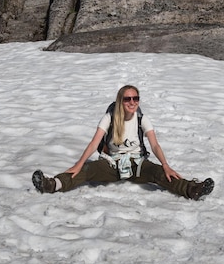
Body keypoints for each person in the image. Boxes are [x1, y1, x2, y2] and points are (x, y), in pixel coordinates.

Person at [32, 85, 214, 200]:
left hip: (137, 163)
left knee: (160, 173)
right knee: (86, 170)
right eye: (127, 99)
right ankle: (52, 184)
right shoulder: (109, 117)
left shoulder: (142, 118)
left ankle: (193, 189)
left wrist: (165, 164)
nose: (132, 102)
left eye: (135, 98)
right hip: (111, 165)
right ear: (120, 101)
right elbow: (94, 142)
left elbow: (155, 145)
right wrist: (78, 164)